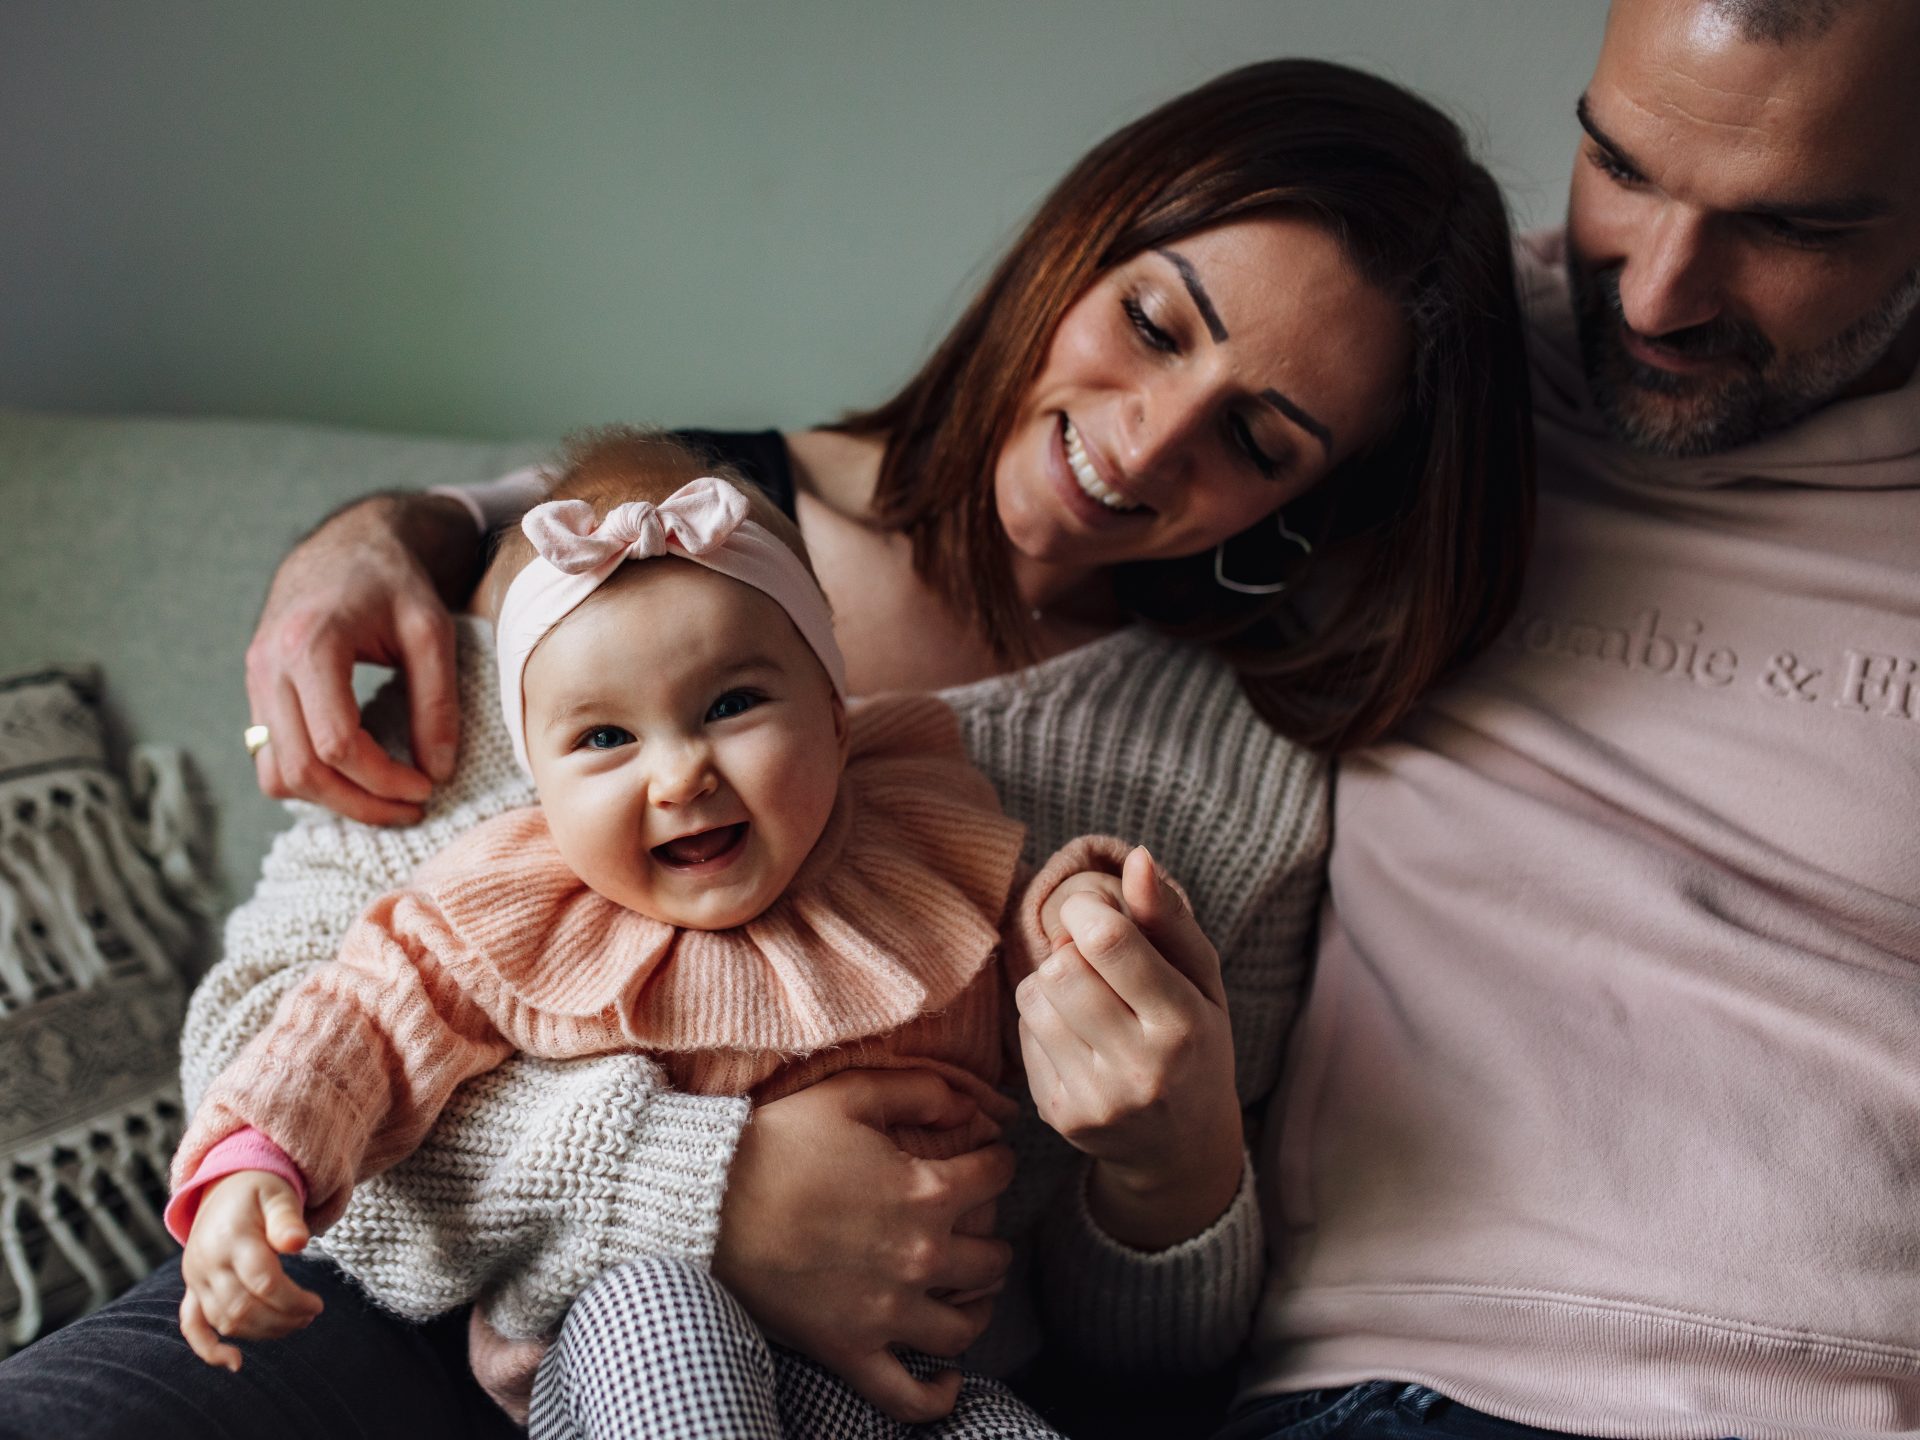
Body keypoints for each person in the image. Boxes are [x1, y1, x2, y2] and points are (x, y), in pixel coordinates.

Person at [0, 58, 1534, 1440]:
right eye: (1148, 321)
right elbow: (279, 1037)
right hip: (380, 1323)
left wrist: (1172, 1163)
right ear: (1080, 240)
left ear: (1311, 505)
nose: (1139, 448)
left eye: (1259, 441)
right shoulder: (641, 550)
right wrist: (699, 1194)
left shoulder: (1237, 776)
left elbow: (1150, 1378)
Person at [167, 431, 1144, 1436]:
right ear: (539, 790)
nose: (680, 774)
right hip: (634, 1352)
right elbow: (359, 1024)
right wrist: (256, 1160)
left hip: (916, 1389)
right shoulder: (517, 909)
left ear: (837, 720)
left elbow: (1028, 936)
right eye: (605, 739)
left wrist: (1083, 915)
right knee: (663, 1312)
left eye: (731, 704)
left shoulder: (921, 843)